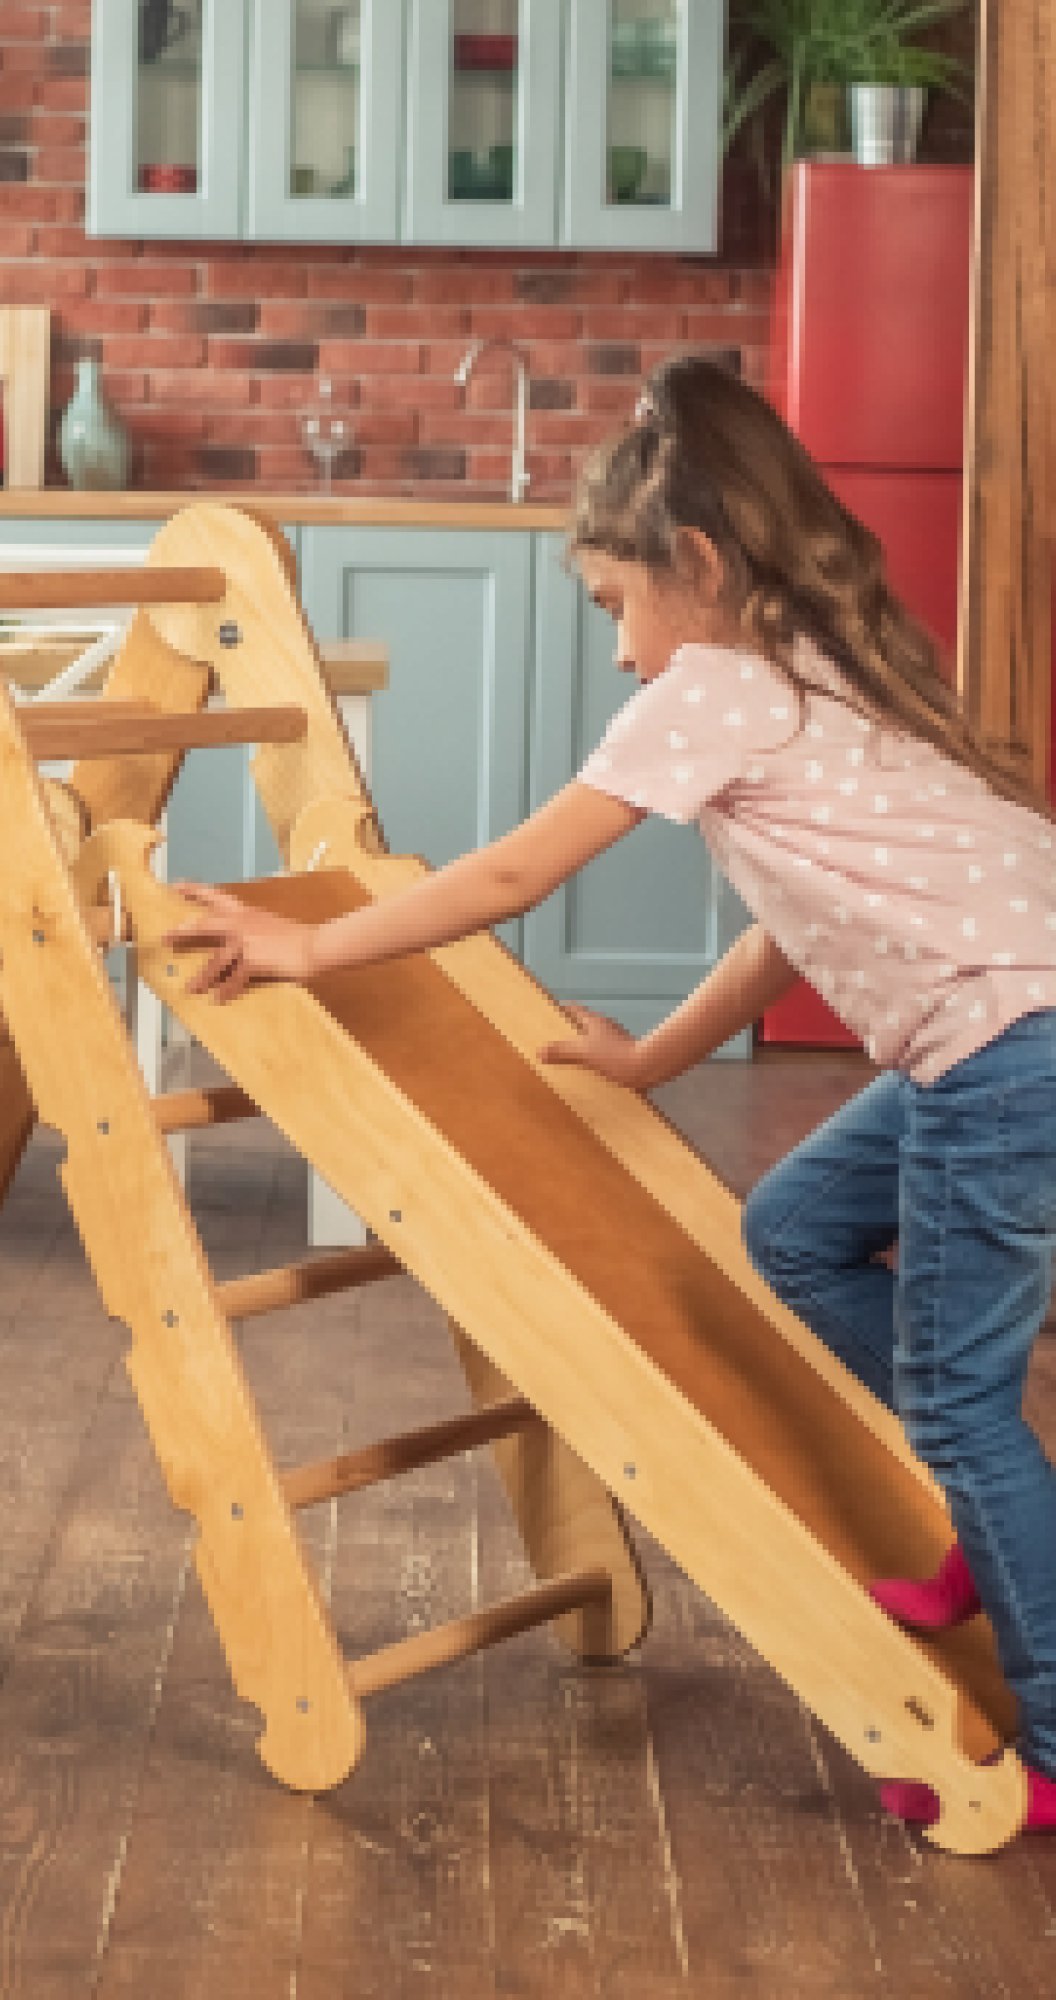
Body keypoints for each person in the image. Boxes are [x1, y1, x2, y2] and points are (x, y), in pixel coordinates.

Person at [170, 354, 1056, 1842]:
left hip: (1006, 1050)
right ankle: (995, 1522)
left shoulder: (715, 684)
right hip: (1009, 1026)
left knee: (960, 1404)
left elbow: (521, 868)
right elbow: (795, 925)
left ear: (693, 567)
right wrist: (655, 1056)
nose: (623, 653)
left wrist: (310, 944)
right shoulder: (815, 665)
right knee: (794, 1234)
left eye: (612, 607)